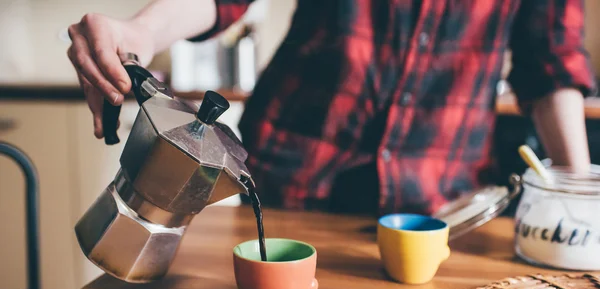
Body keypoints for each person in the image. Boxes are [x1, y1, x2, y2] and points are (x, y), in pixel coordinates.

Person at [67, 0, 596, 216]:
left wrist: (579, 193)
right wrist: (141, 30)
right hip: (294, 182)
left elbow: (549, 59)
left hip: (443, 203)